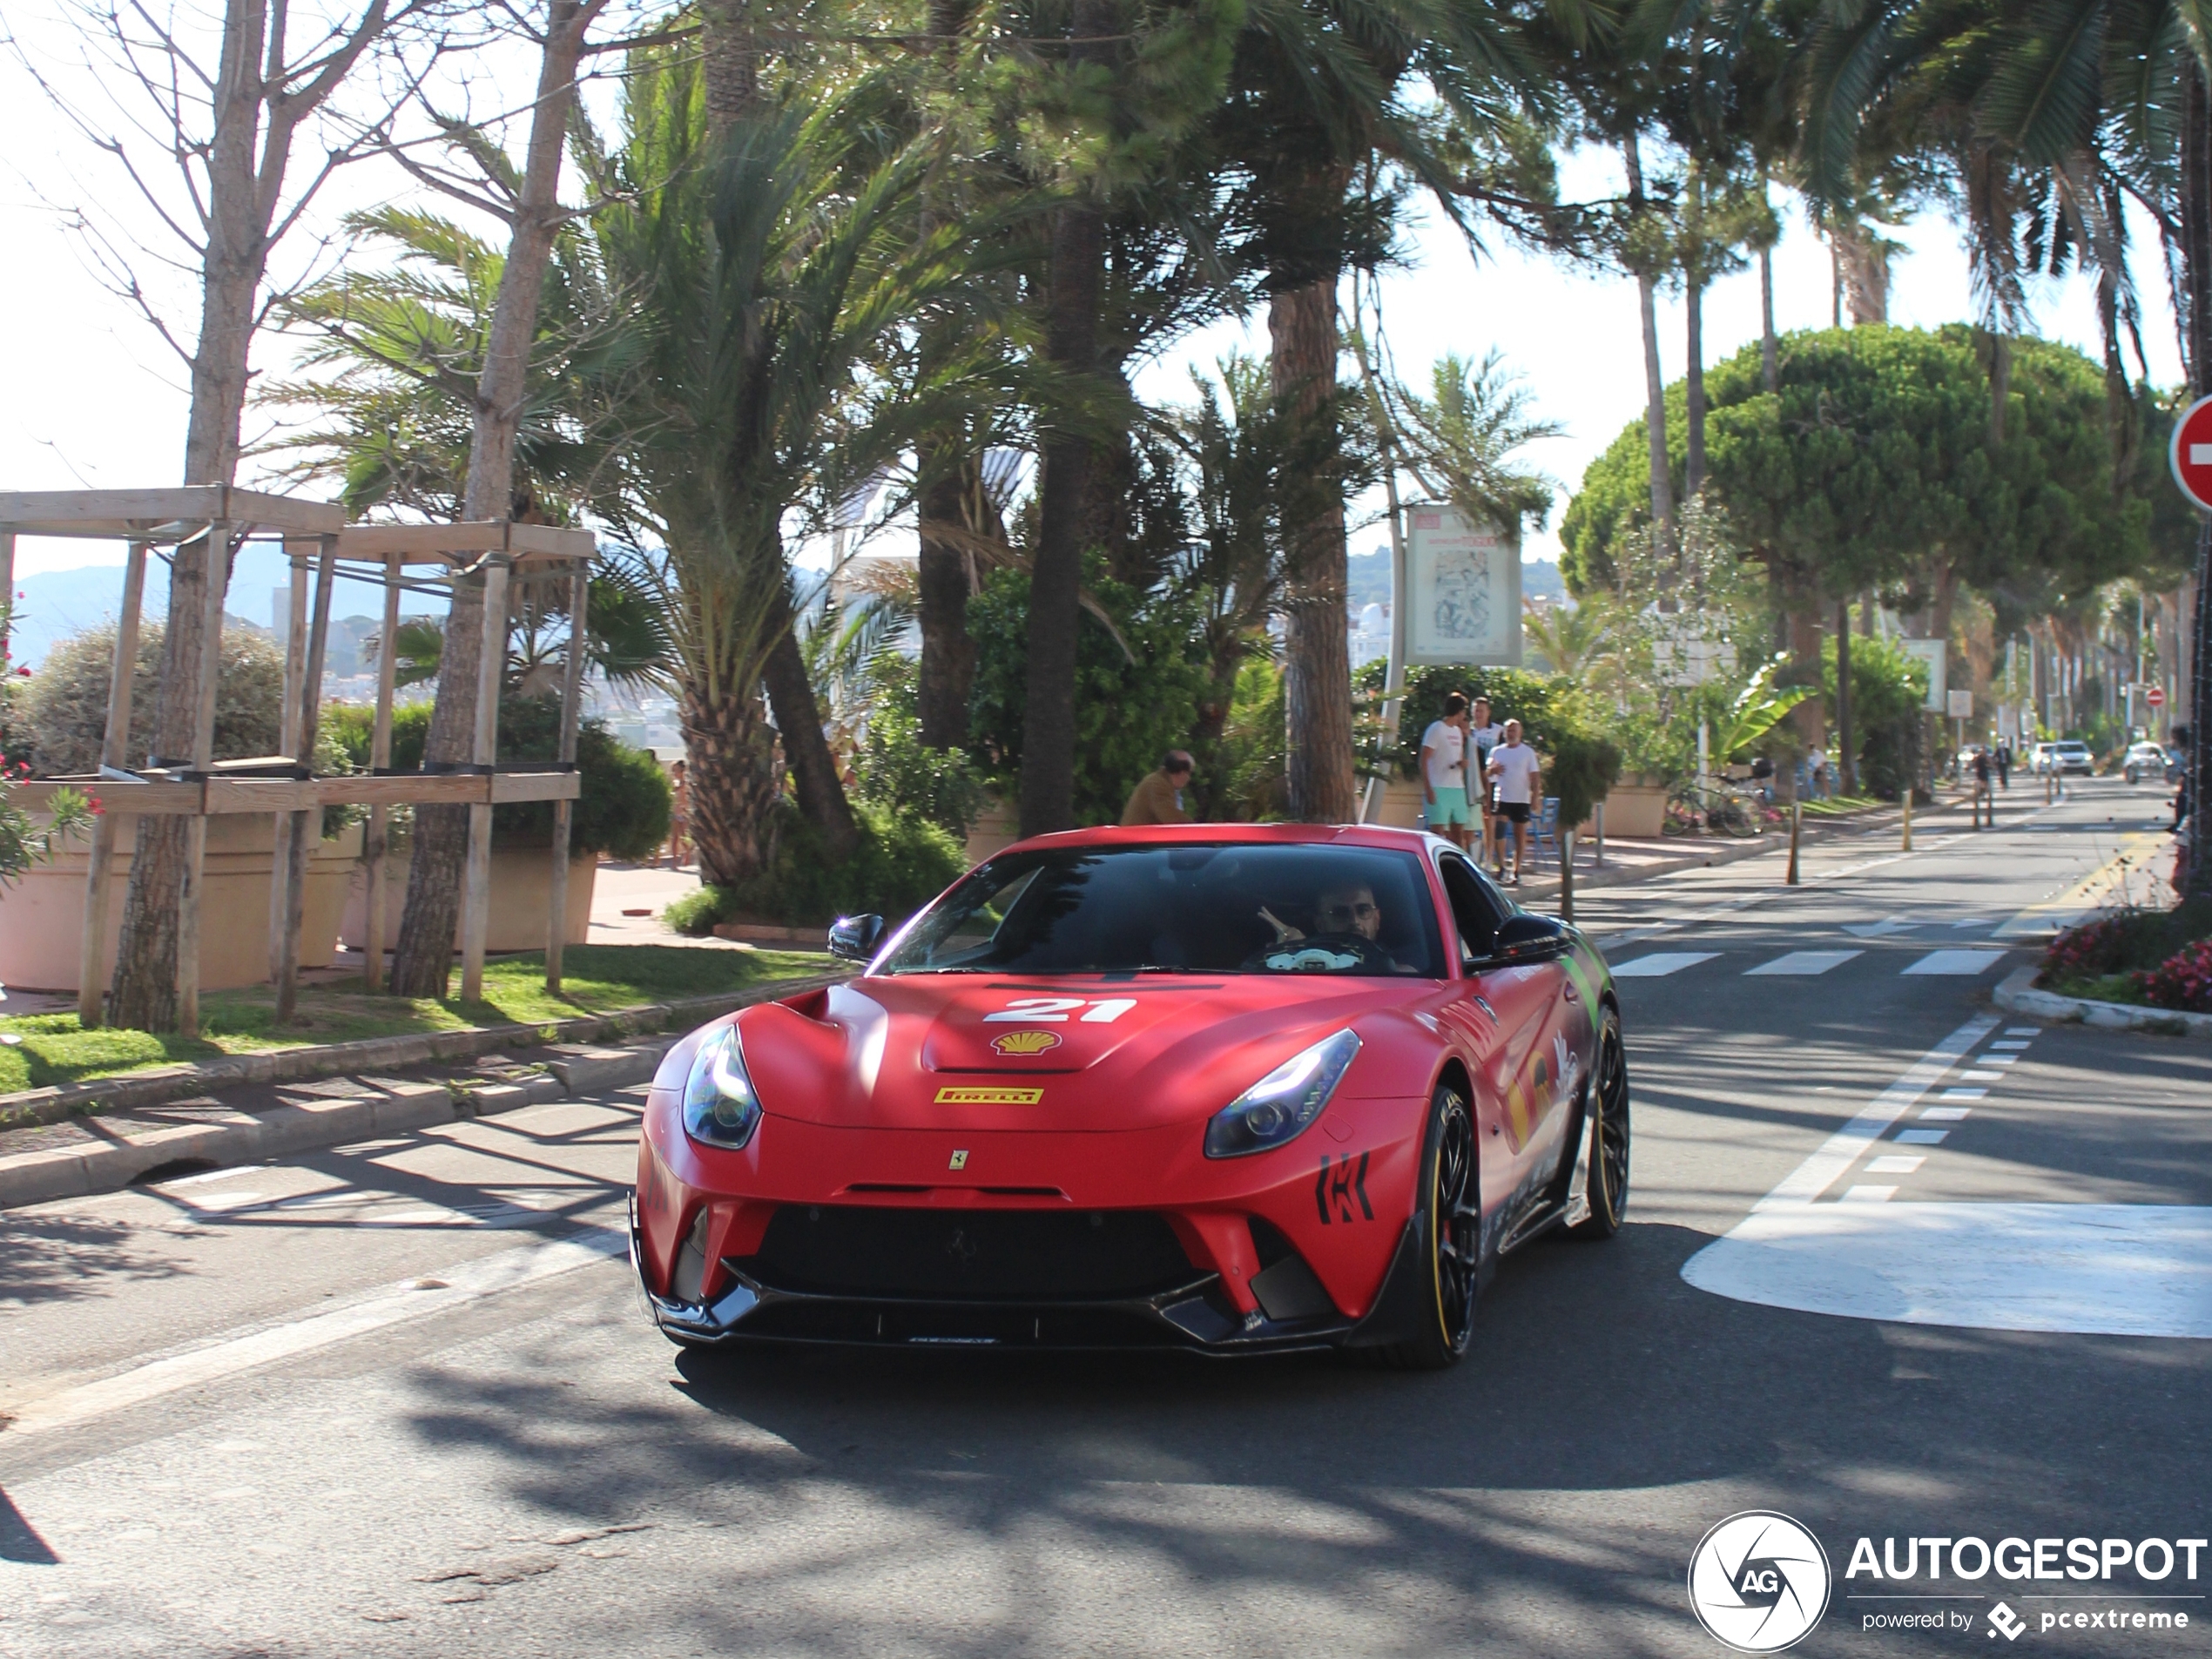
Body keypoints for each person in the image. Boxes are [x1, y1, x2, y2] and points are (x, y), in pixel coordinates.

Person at [1486, 718, 1542, 886]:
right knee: (1500, 831)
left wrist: (1535, 796)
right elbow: (1488, 772)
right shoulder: (1497, 751)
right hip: (1502, 797)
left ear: (1520, 732)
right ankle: (1502, 866)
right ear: (1504, 732)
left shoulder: (1527, 752)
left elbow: (1535, 775)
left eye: (1514, 730)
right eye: (1508, 730)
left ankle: (1517, 869)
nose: (1511, 734)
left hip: (1521, 798)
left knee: (1520, 834)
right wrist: (1493, 770)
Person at [1418, 693, 1474, 851]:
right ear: (1458, 711)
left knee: (1458, 831)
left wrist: (1462, 763)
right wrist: (1428, 788)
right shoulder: (1436, 729)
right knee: (1438, 832)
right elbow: (1424, 759)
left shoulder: (1457, 731)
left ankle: (1457, 866)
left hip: (1457, 787)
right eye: (1463, 710)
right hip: (1438, 786)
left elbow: (1458, 755)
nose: (1464, 714)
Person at [1466, 695, 1505, 866]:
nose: (1478, 713)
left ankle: (1489, 858)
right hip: (1473, 781)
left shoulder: (1498, 731)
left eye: (1481, 710)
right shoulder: (1468, 730)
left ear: (1488, 712)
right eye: (1475, 710)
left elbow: (1505, 753)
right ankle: (1473, 856)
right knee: (1472, 821)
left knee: (1489, 821)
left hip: (1493, 781)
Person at [1122, 750, 1196, 826]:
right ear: (1182, 772)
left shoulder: (1162, 783)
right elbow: (1171, 818)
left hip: (1142, 835)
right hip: (1138, 836)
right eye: (1189, 773)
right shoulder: (1157, 785)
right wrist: (1197, 829)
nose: (1188, 778)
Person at [664, 759, 690, 869]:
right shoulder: (674, 783)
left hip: (684, 812)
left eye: (677, 770)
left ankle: (687, 853)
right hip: (675, 811)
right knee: (674, 838)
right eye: (673, 770)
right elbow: (672, 791)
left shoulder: (688, 782)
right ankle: (674, 863)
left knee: (685, 837)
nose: (675, 773)